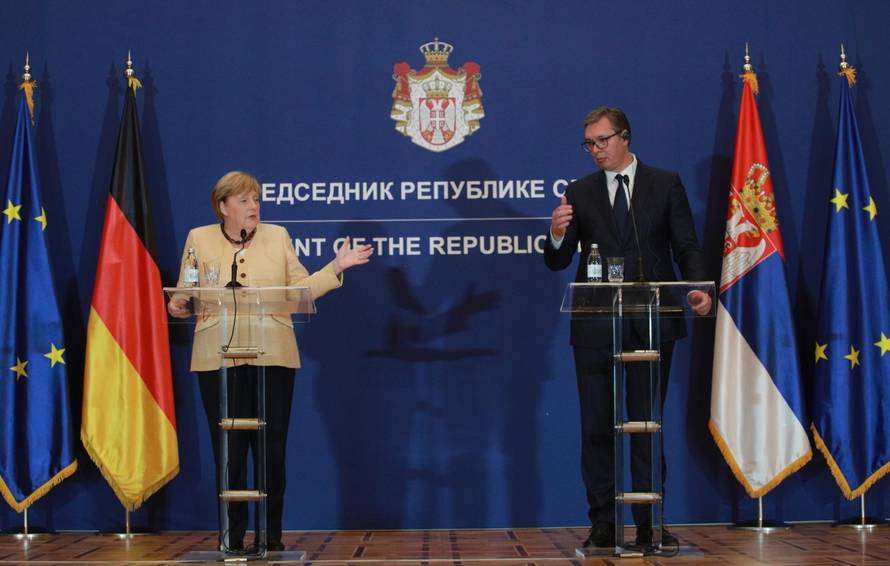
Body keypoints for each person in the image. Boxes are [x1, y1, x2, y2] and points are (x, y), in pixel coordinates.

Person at [167, 171, 372, 552]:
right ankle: (231, 536)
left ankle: (270, 535)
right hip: (218, 359)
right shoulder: (200, 238)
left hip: (272, 356)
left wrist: (336, 268)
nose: (254, 207)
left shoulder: (277, 237)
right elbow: (186, 289)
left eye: (257, 199)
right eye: (244, 201)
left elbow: (298, 292)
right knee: (228, 450)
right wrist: (178, 304)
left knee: (270, 448)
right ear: (223, 206)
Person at [544, 107, 711, 551]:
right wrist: (558, 235)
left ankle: (649, 525)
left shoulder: (664, 182)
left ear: (625, 137)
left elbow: (686, 246)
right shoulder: (578, 192)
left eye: (602, 140)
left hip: (652, 321)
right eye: (589, 143)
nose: (596, 150)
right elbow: (559, 260)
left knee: (645, 424)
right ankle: (602, 524)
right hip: (597, 323)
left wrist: (697, 289)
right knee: (596, 426)